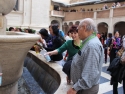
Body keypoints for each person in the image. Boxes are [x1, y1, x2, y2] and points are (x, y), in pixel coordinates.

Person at [67, 18, 104, 94]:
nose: (77, 32)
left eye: (78, 29)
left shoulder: (92, 46)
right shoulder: (88, 42)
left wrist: (75, 88)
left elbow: (90, 74)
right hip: (83, 88)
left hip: (86, 89)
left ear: (84, 27)